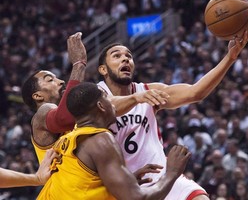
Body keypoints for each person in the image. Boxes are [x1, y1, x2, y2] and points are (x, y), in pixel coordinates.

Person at [96, 26, 248, 200]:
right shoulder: (95, 94)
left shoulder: (148, 90)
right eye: (117, 56)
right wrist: (136, 98)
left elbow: (195, 93)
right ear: (103, 69)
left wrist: (230, 58)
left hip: (160, 176)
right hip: (121, 186)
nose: (125, 59)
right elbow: (108, 105)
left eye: (129, 56)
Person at [21, 32, 169, 165]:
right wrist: (79, 64)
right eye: (50, 79)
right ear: (38, 96)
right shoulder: (42, 114)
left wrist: (132, 176)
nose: (61, 81)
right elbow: (64, 118)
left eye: (58, 78)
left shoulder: (83, 121)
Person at [37, 82, 191, 199]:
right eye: (107, 98)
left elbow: (80, 185)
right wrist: (172, 172)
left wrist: (129, 180)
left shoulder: (68, 138)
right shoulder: (100, 140)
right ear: (101, 106)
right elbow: (137, 198)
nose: (112, 103)